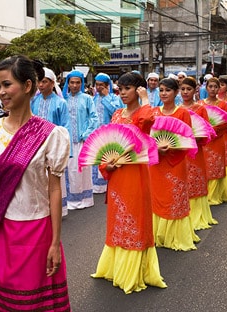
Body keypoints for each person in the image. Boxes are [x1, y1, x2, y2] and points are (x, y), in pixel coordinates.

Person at [0, 55, 71, 311]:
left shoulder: (51, 135)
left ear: (27, 86)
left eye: (7, 85)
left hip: (38, 230)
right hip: (1, 230)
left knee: (38, 303)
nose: (1, 92)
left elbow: (55, 189)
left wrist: (55, 242)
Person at [91, 71, 167, 294]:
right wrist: (107, 166)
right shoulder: (116, 114)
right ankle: (114, 267)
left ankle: (134, 270)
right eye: (120, 89)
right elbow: (109, 144)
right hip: (118, 174)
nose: (123, 93)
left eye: (128, 89)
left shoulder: (145, 112)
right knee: (118, 218)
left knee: (135, 216)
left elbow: (148, 122)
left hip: (136, 173)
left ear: (139, 89)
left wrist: (145, 100)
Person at [150, 77, 199, 251]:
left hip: (176, 161)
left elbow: (187, 140)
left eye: (168, 90)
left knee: (175, 196)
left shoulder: (183, 113)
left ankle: (176, 236)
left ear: (176, 92)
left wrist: (170, 149)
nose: (164, 93)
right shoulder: (154, 112)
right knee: (158, 196)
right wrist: (156, 148)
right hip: (157, 162)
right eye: (161, 90)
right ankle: (158, 234)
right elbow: (148, 138)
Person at [30, 67, 71, 217]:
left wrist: (64, 150)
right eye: (39, 82)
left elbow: (65, 127)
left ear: (52, 83)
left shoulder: (61, 103)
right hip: (35, 145)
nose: (41, 85)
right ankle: (41, 208)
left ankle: (56, 208)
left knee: (53, 178)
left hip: (53, 145)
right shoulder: (34, 101)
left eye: (44, 82)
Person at [180, 77, 217, 231]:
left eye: (189, 89)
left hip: (195, 152)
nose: (185, 92)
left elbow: (207, 133)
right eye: (182, 89)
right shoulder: (177, 109)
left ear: (195, 90)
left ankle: (197, 215)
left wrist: (193, 138)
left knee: (195, 180)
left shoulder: (200, 109)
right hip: (180, 153)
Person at [62, 70, 98, 210]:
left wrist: (86, 133)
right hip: (67, 141)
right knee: (70, 170)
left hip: (82, 140)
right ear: (68, 83)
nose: (75, 85)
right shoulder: (63, 100)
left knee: (82, 169)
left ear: (82, 84)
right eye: (72, 82)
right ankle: (70, 199)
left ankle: (85, 199)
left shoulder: (87, 99)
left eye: (78, 82)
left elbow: (94, 118)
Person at [200, 77, 227, 205]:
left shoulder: (223, 104)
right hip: (205, 141)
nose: (213, 89)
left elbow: (226, 123)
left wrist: (214, 131)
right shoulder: (200, 104)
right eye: (210, 86)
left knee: (216, 165)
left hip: (217, 139)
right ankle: (205, 193)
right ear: (206, 88)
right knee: (206, 166)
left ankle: (214, 194)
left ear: (219, 89)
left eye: (215, 87)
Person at [92, 72, 124, 193]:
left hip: (109, 133)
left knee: (108, 157)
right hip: (96, 133)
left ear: (107, 86)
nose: (98, 87)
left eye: (101, 85)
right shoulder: (93, 99)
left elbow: (116, 112)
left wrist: (105, 98)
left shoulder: (114, 98)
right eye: (97, 84)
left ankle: (108, 182)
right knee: (97, 157)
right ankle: (96, 185)